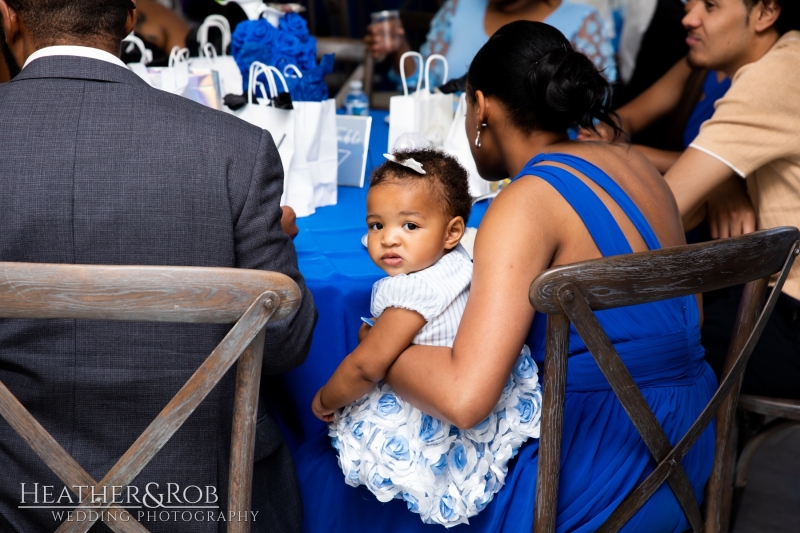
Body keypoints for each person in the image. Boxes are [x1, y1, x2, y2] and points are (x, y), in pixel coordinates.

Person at [296, 21, 716, 532]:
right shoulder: (637, 166)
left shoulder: (524, 204)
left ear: (482, 109)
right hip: (690, 443)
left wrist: (380, 349)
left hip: (589, 467)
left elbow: (464, 400)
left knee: (327, 468)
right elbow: (688, 316)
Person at [0, 1, 316, 532]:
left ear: (8, 15)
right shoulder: (235, 150)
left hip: (15, 499)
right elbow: (286, 345)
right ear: (129, 18)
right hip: (199, 501)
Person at [311, 150, 542, 527]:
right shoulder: (461, 260)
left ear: (451, 232)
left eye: (410, 227)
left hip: (427, 407)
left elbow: (366, 365)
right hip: (480, 393)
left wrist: (325, 398)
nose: (389, 240)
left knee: (333, 461)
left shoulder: (410, 293)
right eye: (375, 226)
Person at [663, 0, 800, 400]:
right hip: (778, 301)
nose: (689, 17)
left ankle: (691, 462)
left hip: (790, 321)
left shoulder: (769, 78)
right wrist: (725, 181)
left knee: (641, 343)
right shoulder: (791, 54)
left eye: (710, 5)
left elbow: (662, 211)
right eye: (689, 2)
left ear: (765, 12)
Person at [366, 0, 617, 88]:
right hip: (446, 143)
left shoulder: (581, 20)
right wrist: (399, 48)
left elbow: (595, 105)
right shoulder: (458, 7)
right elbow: (425, 85)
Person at [579, 57, 731, 173]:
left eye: (710, 13)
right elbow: (628, 117)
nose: (688, 20)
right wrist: (607, 132)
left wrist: (619, 152)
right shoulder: (698, 63)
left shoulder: (751, 86)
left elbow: (717, 162)